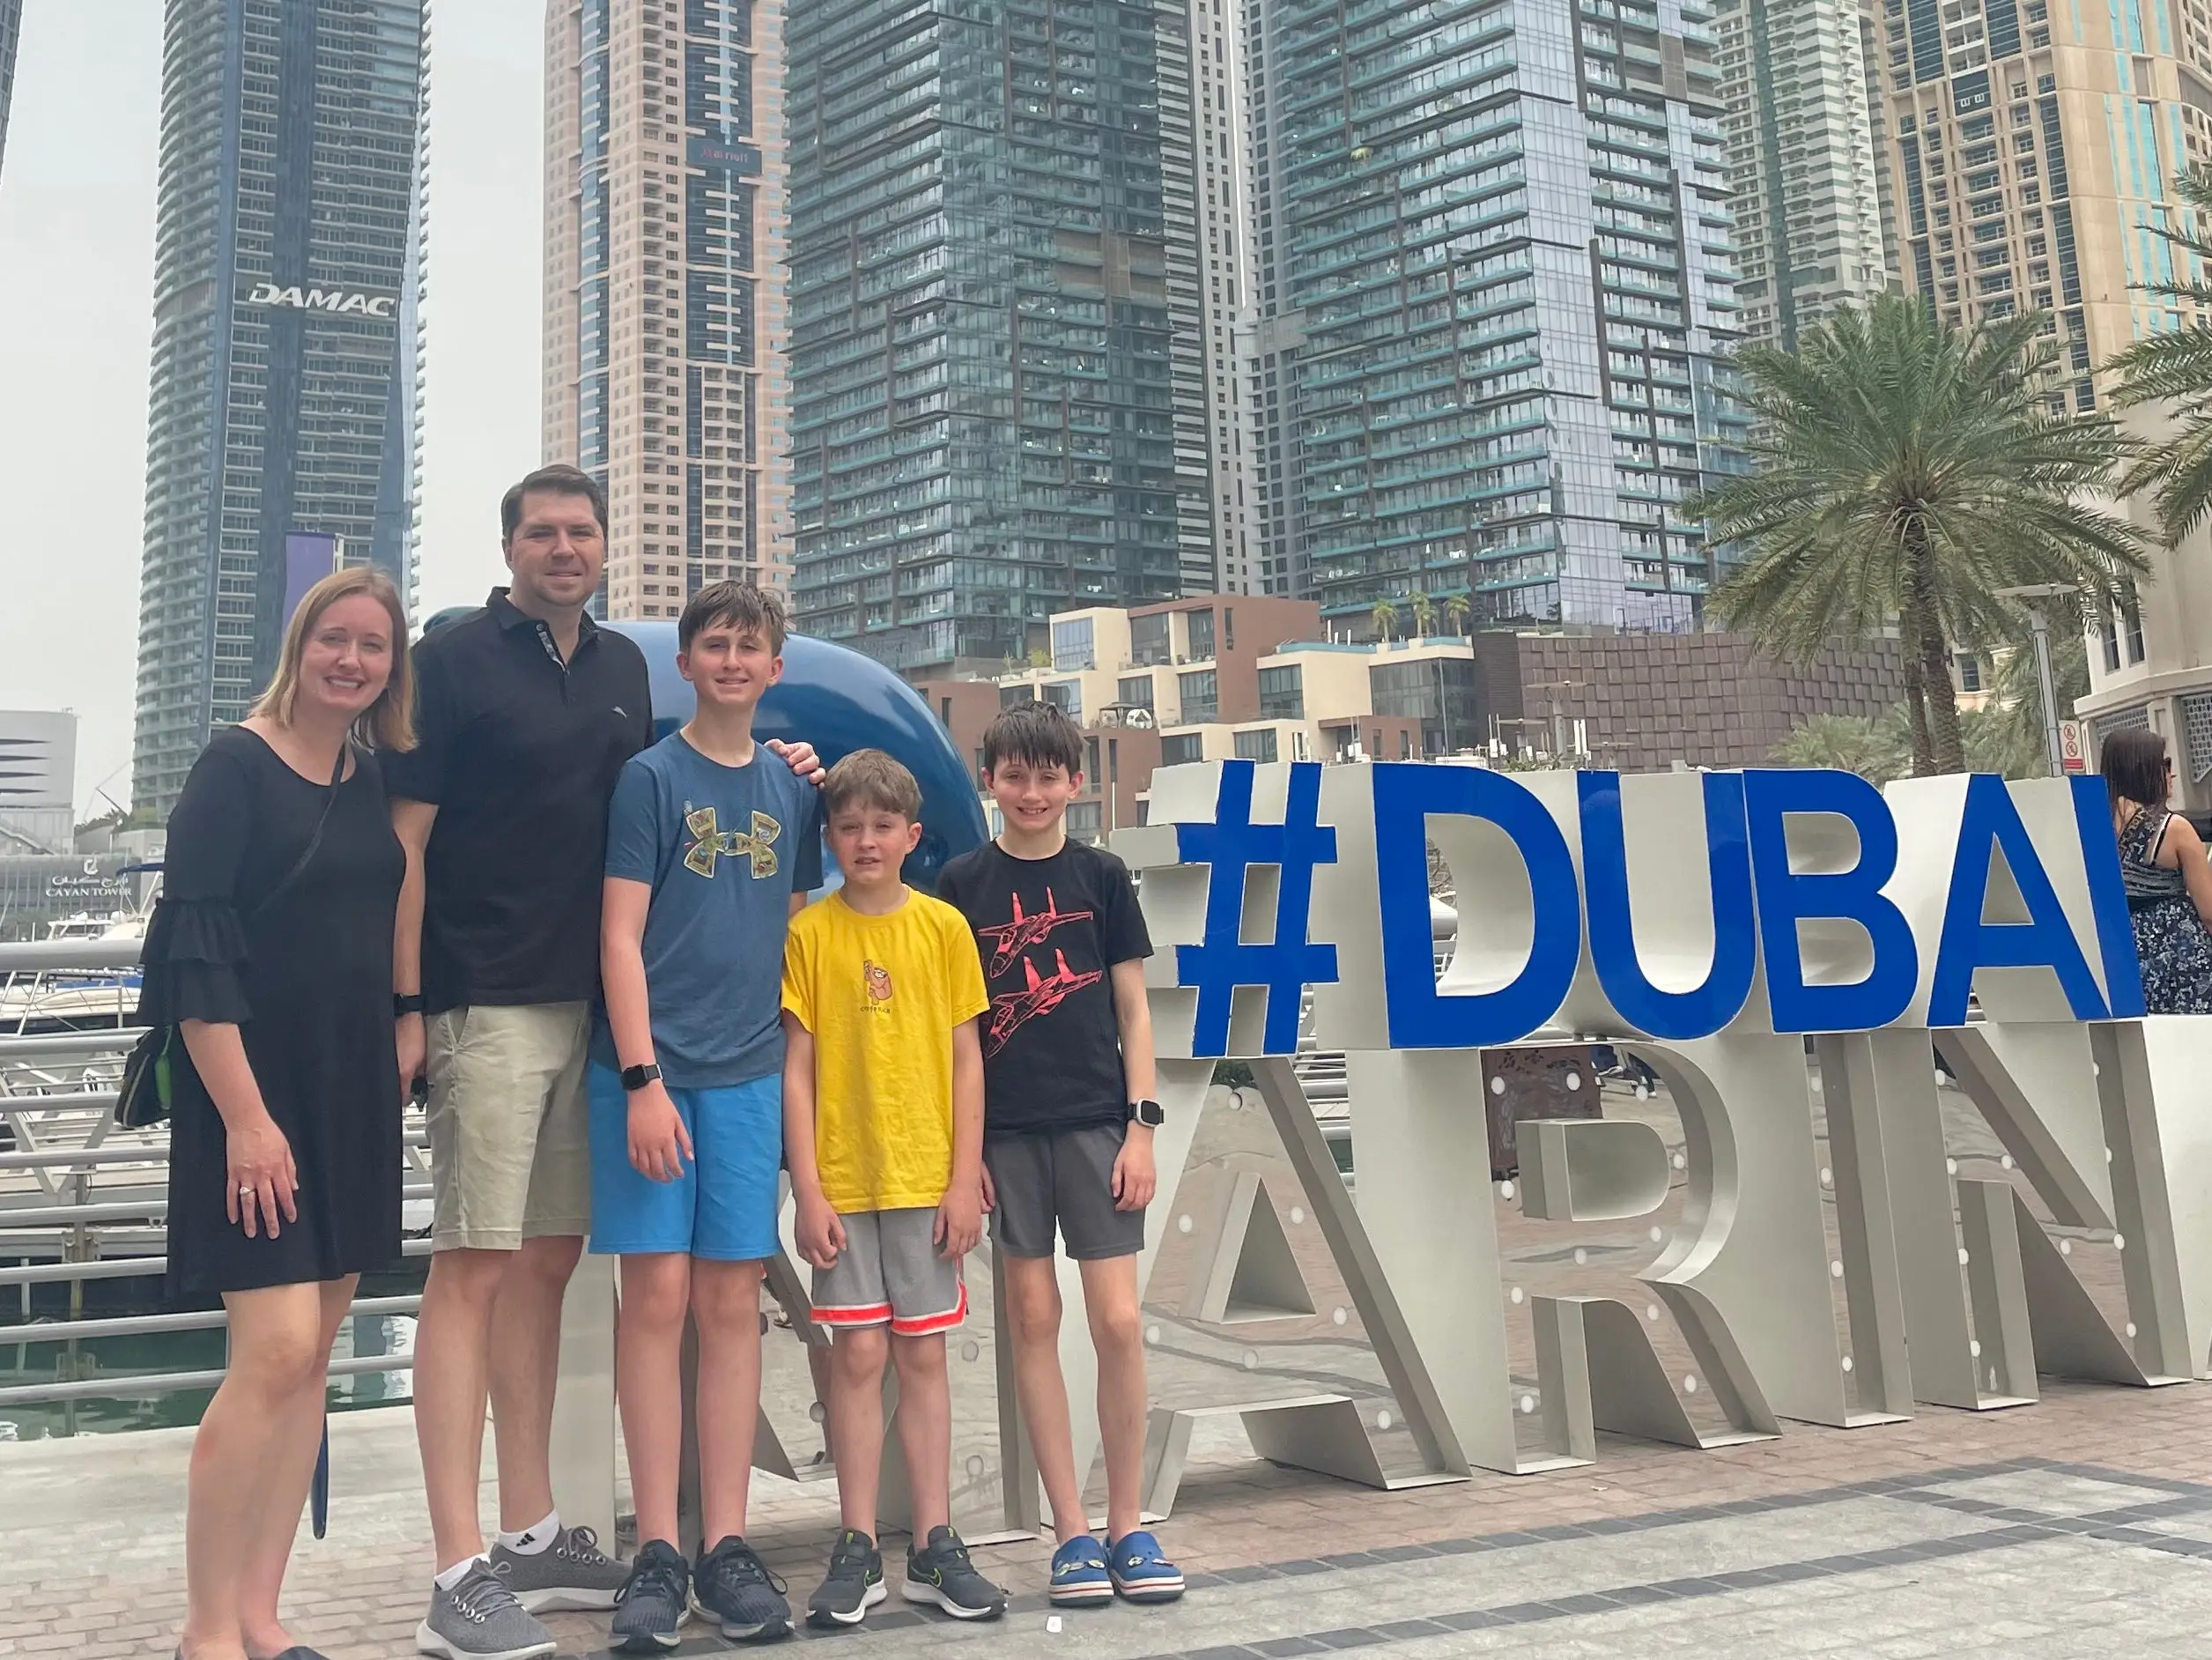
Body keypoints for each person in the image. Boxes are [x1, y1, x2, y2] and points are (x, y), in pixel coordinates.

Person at [390, 466, 819, 1660]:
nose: (564, 549)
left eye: (582, 532)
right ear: (510, 544)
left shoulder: (627, 671)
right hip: (488, 1000)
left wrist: (794, 776)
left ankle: (530, 1535)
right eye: (543, 533)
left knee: (543, 1264)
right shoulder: (454, 660)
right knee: (469, 1268)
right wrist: (406, 1003)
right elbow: (406, 847)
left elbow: (698, 810)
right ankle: (455, 1568)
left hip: (595, 1014)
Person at [152, 568, 413, 1660]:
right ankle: (206, 1630)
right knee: (272, 1354)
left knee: (315, 1360)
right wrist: (249, 1123)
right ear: (298, 644)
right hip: (252, 1097)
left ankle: (262, 1616)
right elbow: (192, 959)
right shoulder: (233, 765)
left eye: (373, 646)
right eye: (333, 640)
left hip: (351, 1090)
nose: (351, 660)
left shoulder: (362, 775)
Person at [592, 582, 821, 1650]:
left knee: (734, 1304)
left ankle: (727, 1543)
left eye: (751, 647)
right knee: (657, 1297)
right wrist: (639, 1079)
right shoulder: (650, 778)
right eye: (714, 646)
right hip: (650, 1075)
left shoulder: (792, 788)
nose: (733, 661)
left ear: (777, 669)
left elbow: (795, 930)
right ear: (684, 665)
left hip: (748, 1075)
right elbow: (620, 938)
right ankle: (658, 1549)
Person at [936, 702, 1184, 1607]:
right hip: (1004, 1134)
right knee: (1032, 1320)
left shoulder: (1103, 877)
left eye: (1049, 777)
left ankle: (1129, 1522)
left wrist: (1143, 1126)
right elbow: (957, 1033)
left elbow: (1134, 1012)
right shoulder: (960, 887)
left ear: (1075, 784)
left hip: (1097, 1126)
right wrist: (966, 1158)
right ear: (990, 780)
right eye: (1015, 775)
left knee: (1117, 1321)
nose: (1032, 792)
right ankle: (1070, 1531)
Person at [780, 751, 1005, 1629]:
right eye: (848, 826)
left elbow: (965, 1060)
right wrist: (808, 1186)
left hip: (925, 1180)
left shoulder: (944, 928)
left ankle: (935, 1541)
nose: (866, 841)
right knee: (857, 1357)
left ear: (912, 837)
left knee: (922, 1356)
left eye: (882, 826)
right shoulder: (809, 936)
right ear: (829, 836)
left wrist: (961, 1179)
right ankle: (855, 1543)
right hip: (844, 1178)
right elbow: (796, 1071)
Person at [2104, 725, 2212, 1013]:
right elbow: (2210, 912)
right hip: (2182, 960)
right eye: (2165, 764)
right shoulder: (2174, 829)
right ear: (2143, 770)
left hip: (2120, 958)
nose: (2171, 773)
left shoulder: (2093, 826)